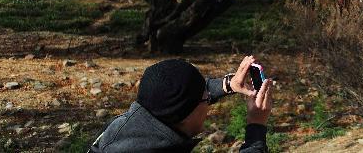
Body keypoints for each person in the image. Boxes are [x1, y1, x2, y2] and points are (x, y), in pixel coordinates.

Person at [90, 55, 272, 152]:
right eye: (207, 98)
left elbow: (180, 93)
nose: (210, 100)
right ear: (185, 116)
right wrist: (256, 126)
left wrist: (227, 85)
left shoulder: (125, 127)